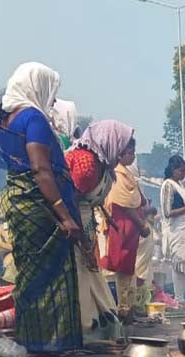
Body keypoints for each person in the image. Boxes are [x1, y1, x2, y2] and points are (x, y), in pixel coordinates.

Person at [0, 61, 83, 355]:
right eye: (51, 92)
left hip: (21, 202)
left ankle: (32, 339)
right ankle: (52, 342)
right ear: (37, 87)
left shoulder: (6, 119)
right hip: (41, 208)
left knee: (30, 273)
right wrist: (65, 215)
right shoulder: (33, 118)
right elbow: (41, 169)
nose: (53, 100)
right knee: (52, 276)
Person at [67, 119, 135, 339]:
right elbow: (73, 199)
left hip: (86, 223)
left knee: (90, 273)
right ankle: (85, 328)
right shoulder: (87, 164)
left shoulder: (101, 162)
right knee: (81, 274)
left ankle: (96, 325)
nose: (124, 152)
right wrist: (81, 235)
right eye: (123, 146)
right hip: (75, 224)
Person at [100, 143, 149, 319]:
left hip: (130, 227)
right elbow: (125, 204)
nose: (133, 156)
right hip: (122, 225)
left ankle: (127, 306)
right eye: (130, 153)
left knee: (128, 268)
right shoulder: (118, 174)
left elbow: (138, 201)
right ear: (120, 155)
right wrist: (142, 225)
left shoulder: (127, 173)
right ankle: (123, 308)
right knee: (122, 266)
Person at [158, 155, 185, 307]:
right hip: (176, 229)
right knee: (179, 262)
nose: (183, 174)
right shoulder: (168, 185)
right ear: (173, 170)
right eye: (181, 170)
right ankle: (178, 298)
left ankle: (180, 297)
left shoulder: (178, 185)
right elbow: (167, 212)